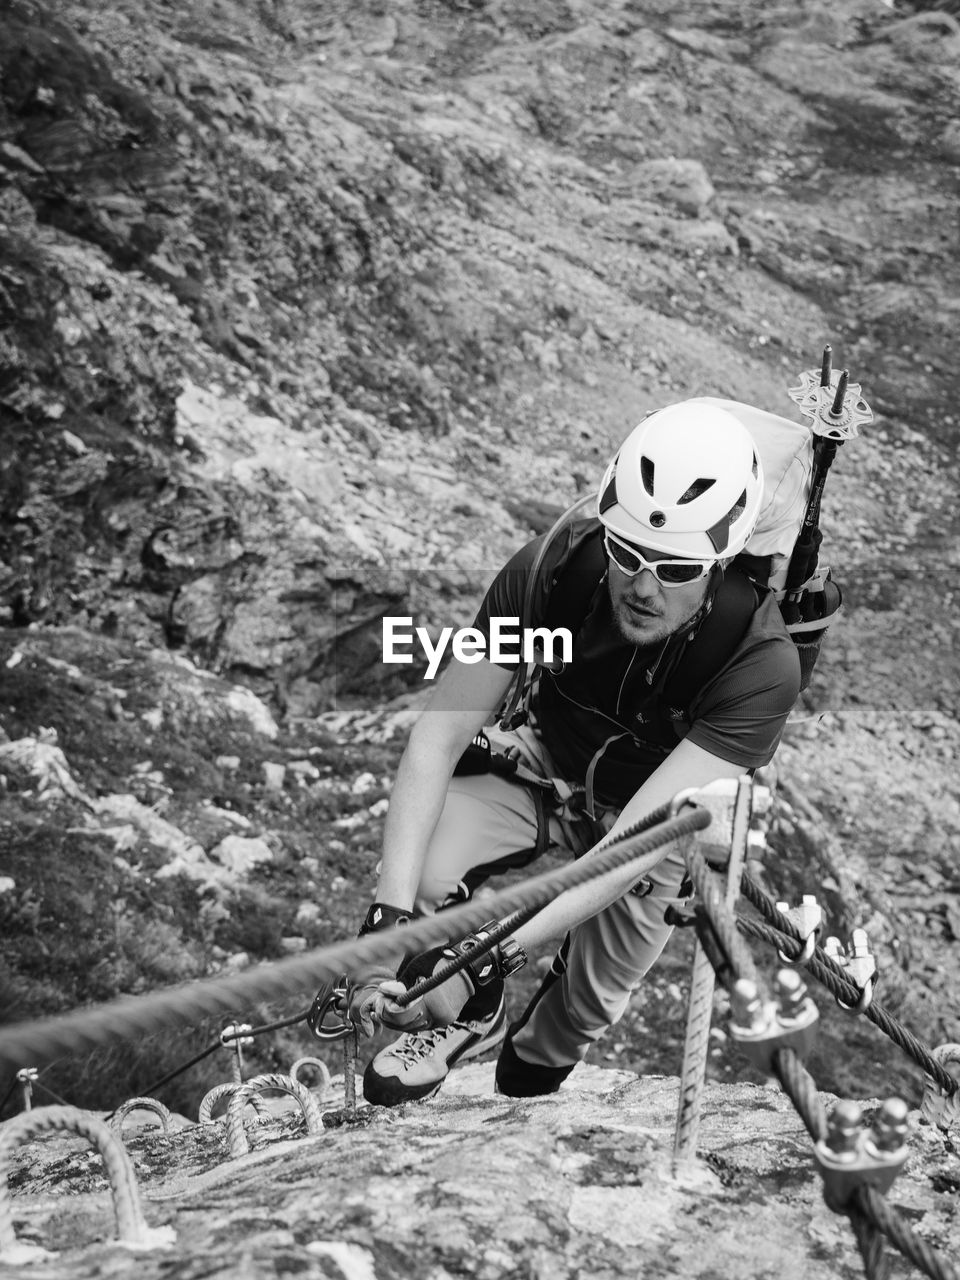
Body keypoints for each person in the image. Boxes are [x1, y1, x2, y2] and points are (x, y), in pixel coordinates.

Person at [324, 400, 802, 1106]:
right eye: (628, 553)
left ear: (721, 564)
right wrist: (386, 921)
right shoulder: (554, 570)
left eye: (675, 568)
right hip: (547, 762)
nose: (642, 586)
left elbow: (630, 845)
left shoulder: (757, 664)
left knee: (567, 1028)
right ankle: (473, 1017)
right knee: (424, 876)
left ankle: (510, 1042)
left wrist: (494, 952)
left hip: (651, 826)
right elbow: (439, 736)